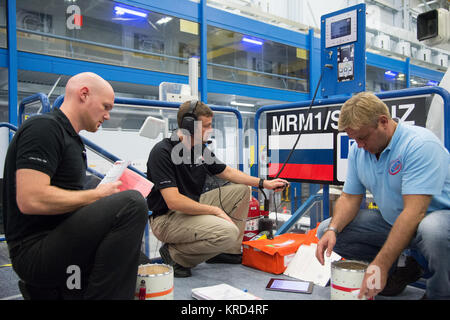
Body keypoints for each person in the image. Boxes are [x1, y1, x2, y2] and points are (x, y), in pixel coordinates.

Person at [2, 72, 149, 299]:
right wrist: (96, 196)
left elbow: (68, 194)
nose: (108, 115)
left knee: (139, 260)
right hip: (34, 252)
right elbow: (31, 199)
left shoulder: (73, 141)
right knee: (131, 204)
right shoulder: (43, 128)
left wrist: (99, 191)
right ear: (83, 94)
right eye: (106, 106)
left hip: (58, 237)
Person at [315, 91, 450, 300]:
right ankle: (400, 272)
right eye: (353, 139)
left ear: (383, 122)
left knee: (433, 231)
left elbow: (414, 213)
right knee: (327, 230)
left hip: (435, 220)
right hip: (393, 221)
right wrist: (333, 229)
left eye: (362, 137)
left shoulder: (419, 145)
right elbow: (350, 198)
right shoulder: (359, 151)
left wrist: (381, 264)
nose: (358, 144)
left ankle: (439, 294)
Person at [146, 100, 288, 277]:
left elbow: (226, 171)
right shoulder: (162, 152)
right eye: (206, 126)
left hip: (191, 206)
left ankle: (226, 251)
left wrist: (263, 183)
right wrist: (214, 211)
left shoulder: (199, 149)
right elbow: (173, 201)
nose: (210, 130)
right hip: (166, 218)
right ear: (189, 126)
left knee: (242, 190)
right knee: (227, 231)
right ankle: (175, 255)